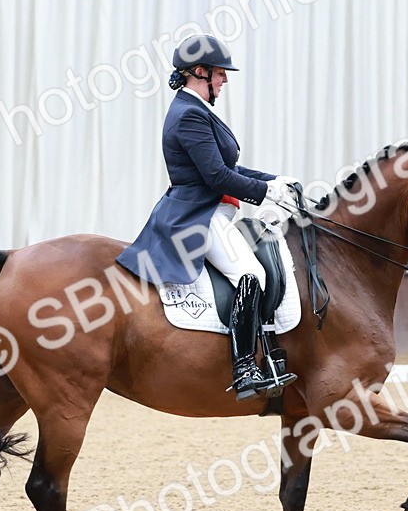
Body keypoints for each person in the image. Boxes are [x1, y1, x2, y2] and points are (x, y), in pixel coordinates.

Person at [116, 34, 299, 401]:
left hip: (215, 210)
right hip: (200, 215)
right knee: (251, 273)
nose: (224, 80)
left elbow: (227, 166)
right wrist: (265, 193)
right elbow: (217, 178)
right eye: (219, 73)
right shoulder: (188, 115)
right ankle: (245, 367)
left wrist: (273, 180)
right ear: (199, 72)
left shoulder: (196, 111)